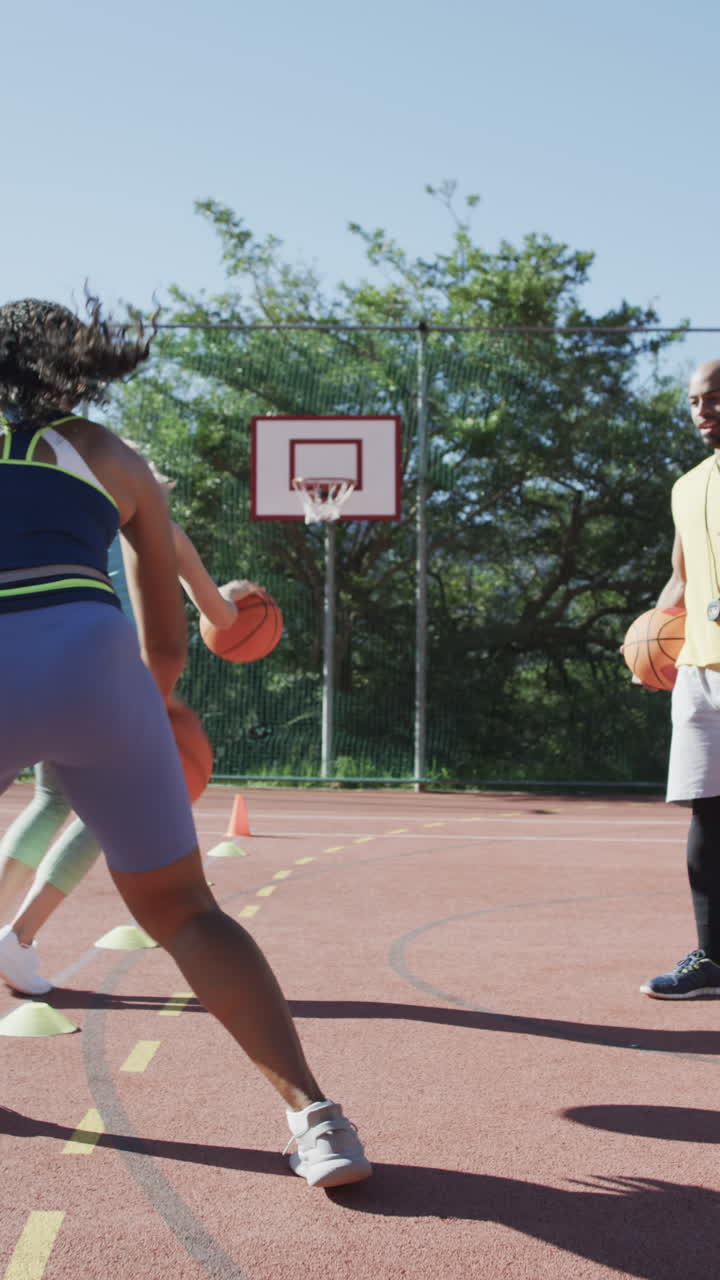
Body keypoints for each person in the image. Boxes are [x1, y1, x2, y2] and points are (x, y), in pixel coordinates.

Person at [0, 296, 371, 1188]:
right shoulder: (111, 456)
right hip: (95, 665)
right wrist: (133, 724)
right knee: (185, 912)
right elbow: (165, 640)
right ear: (80, 370)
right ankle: (316, 1120)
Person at [0, 470, 257, 997]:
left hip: (42, 662)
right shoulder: (159, 529)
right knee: (103, 815)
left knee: (49, 801)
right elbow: (224, 617)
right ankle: (18, 938)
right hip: (115, 680)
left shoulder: (60, 516)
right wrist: (244, 598)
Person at [640, 359, 720, 999]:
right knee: (707, 816)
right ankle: (713, 958)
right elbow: (682, 577)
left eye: (714, 398)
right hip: (699, 672)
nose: (703, 411)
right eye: (695, 401)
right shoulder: (687, 486)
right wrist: (652, 636)